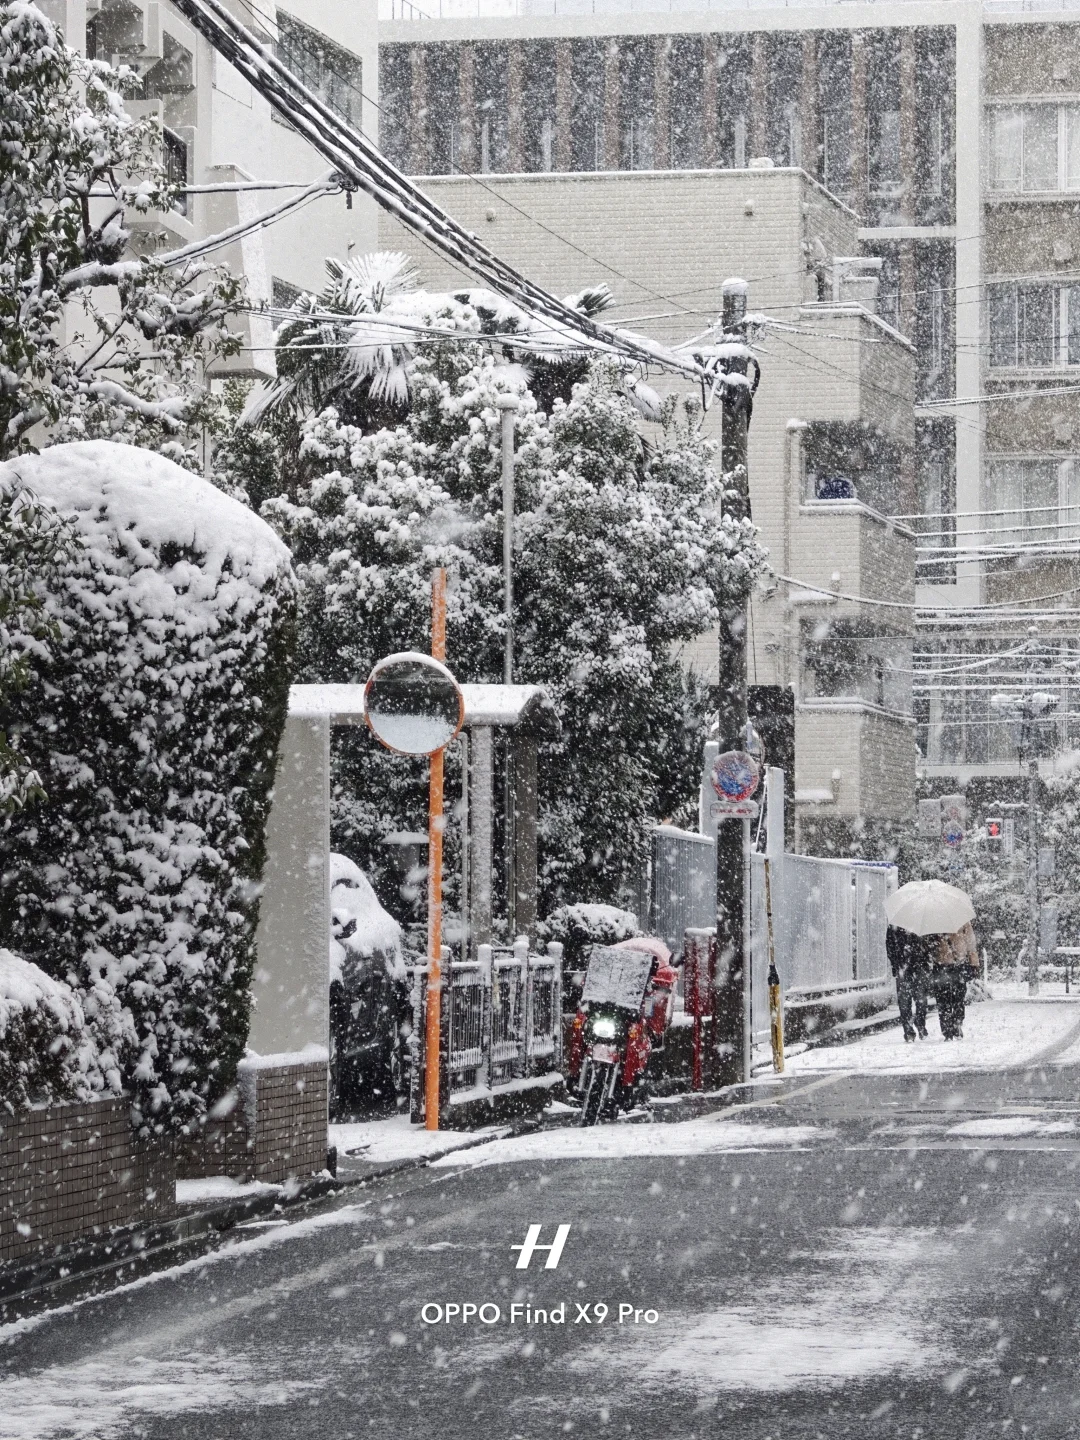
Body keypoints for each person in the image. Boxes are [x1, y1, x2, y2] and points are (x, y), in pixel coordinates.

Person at [933, 921, 980, 1040]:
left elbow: (970, 943)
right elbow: (970, 943)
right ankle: (952, 1027)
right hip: (952, 964)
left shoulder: (933, 921)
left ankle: (951, 1027)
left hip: (948, 964)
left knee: (951, 998)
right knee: (950, 999)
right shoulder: (960, 918)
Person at [887, 925, 931, 1042]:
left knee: (920, 1000)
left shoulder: (922, 924)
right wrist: (896, 964)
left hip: (918, 967)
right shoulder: (895, 925)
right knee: (905, 1001)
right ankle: (909, 1030)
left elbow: (928, 945)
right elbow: (890, 947)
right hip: (904, 967)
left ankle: (919, 1024)